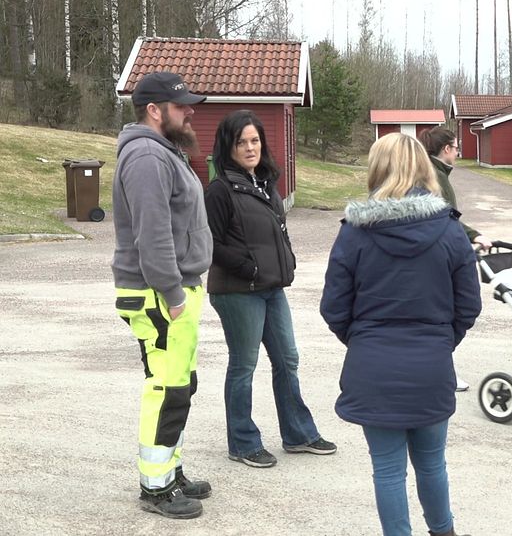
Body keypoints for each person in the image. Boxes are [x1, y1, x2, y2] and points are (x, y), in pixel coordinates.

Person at [320, 132, 481, 536]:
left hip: (373, 365)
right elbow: (469, 305)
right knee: (432, 463)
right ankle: (443, 531)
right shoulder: (449, 231)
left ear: (378, 170)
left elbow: (334, 308)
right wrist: (441, 341)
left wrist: (364, 342)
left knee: (388, 470)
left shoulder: (354, 233)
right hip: (431, 365)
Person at [204, 110, 337, 469]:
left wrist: (286, 261)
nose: (250, 148)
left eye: (255, 141)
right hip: (237, 291)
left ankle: (298, 435)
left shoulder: (265, 184)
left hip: (271, 288)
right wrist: (248, 266)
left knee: (287, 359)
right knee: (244, 365)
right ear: (228, 147)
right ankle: (243, 443)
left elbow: (278, 232)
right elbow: (209, 243)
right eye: (241, 142)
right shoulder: (220, 190)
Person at [112, 71, 213, 519]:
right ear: (155, 110)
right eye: (182, 105)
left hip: (174, 291)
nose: (190, 111)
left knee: (181, 385)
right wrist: (172, 294)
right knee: (168, 388)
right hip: (160, 295)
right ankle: (155, 488)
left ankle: (169, 470)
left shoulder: (164, 153)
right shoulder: (147, 158)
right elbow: (151, 237)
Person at [417, 126, 490, 392]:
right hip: (438, 258)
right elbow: (445, 218)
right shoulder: (435, 177)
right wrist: (472, 236)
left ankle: (440, 368)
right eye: (456, 147)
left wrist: (471, 234)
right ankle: (441, 371)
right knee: (445, 315)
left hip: (434, 254)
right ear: (446, 149)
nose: (458, 152)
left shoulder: (434, 172)